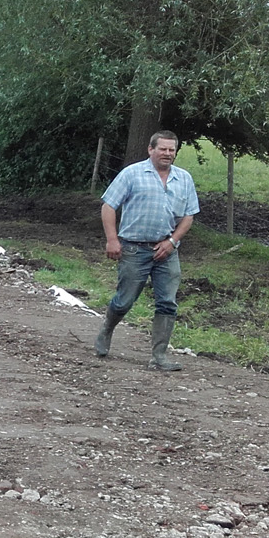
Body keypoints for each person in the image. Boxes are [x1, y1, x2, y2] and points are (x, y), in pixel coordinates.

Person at [95, 130, 200, 370]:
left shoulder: (183, 179)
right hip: (134, 248)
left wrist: (172, 242)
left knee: (167, 303)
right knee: (124, 301)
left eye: (171, 149)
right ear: (150, 149)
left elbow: (189, 216)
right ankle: (107, 330)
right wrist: (112, 240)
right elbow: (109, 206)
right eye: (162, 149)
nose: (167, 153)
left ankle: (159, 356)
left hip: (167, 250)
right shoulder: (132, 174)